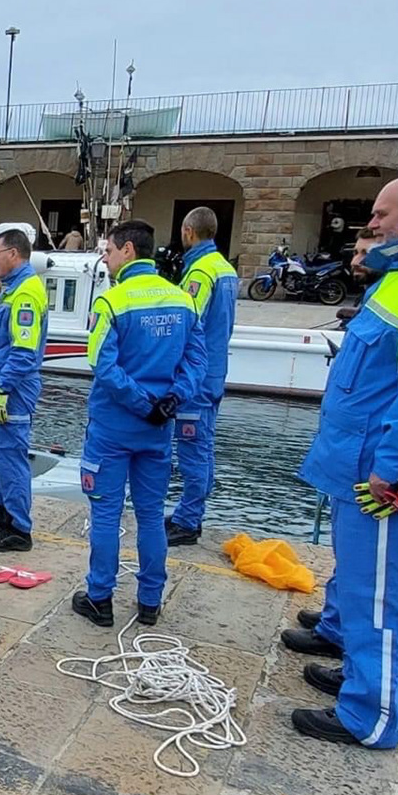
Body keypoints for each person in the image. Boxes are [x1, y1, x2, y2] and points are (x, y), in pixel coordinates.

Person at [288, 174, 398, 748]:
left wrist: (392, 468)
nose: (371, 224)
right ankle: (359, 671)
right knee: (361, 584)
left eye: (381, 214)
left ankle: (369, 715)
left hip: (385, 476)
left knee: (382, 594)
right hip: (358, 463)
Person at [70, 220, 206, 629]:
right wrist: (171, 400)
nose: (105, 259)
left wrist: (141, 402)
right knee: (150, 515)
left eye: (108, 251)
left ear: (128, 250)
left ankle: (100, 598)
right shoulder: (183, 300)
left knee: (107, 514)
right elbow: (198, 361)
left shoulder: (111, 302)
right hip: (158, 428)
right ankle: (150, 600)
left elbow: (102, 366)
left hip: (114, 426)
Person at [283, 228, 381, 660]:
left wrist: (392, 465)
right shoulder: (379, 296)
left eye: (364, 251)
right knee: (349, 551)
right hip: (351, 452)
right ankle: (336, 623)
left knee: (370, 571)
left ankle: (361, 689)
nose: (356, 258)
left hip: (372, 459)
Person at [167, 207, 239, 546]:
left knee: (193, 448)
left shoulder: (200, 272)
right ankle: (190, 512)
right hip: (215, 371)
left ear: (187, 231)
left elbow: (187, 319)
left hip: (197, 376)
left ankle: (188, 519)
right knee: (203, 446)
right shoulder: (225, 268)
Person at [0, 227, 47, 552]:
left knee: (11, 456)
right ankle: (4, 512)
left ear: (13, 254)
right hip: (5, 386)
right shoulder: (15, 289)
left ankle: (19, 529)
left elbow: (24, 350)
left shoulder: (26, 293)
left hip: (14, 389)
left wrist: (3, 388)